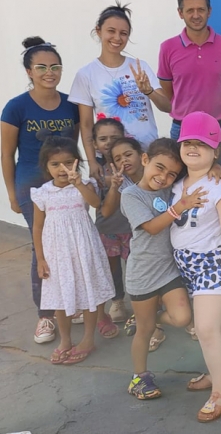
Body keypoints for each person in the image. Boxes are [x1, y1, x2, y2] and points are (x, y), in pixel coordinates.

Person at [169, 111, 221, 422]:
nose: (192, 148)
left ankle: (219, 392)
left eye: (201, 144)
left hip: (216, 259)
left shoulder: (220, 183)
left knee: (204, 328)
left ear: (215, 150)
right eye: (187, 142)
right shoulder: (177, 179)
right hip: (187, 262)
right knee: (216, 325)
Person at [1, 37, 79, 345]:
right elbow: (7, 154)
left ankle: (71, 303)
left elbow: (74, 145)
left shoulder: (71, 104)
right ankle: (45, 315)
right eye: (42, 67)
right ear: (29, 71)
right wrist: (11, 193)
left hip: (66, 185)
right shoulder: (16, 107)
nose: (50, 72)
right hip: (32, 185)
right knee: (43, 248)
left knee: (71, 242)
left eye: (55, 66)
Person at [121, 138, 201, 400]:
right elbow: (153, 227)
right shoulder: (131, 195)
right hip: (142, 274)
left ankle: (148, 319)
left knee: (181, 318)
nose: (164, 177)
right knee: (144, 332)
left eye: (171, 174)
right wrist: (180, 206)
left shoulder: (171, 190)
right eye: (159, 167)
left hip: (168, 271)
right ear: (145, 160)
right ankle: (139, 377)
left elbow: (198, 171)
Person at [31, 136, 116, 365]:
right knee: (60, 297)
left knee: (89, 292)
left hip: (84, 247)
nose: (63, 169)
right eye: (55, 164)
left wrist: (78, 182)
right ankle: (66, 340)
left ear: (78, 162)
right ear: (46, 166)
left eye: (69, 162)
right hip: (56, 253)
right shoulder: (42, 193)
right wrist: (40, 258)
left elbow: (96, 204)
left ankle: (88, 339)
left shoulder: (85, 185)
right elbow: (37, 227)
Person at [69, 3, 170, 183]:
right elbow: (85, 124)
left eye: (123, 33)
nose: (117, 38)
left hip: (146, 155)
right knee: (114, 208)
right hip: (111, 159)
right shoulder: (86, 74)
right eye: (111, 31)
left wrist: (149, 91)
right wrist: (92, 161)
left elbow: (167, 106)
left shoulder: (140, 67)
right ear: (98, 31)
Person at [157, 0, 221, 163]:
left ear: (209, 12)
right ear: (180, 13)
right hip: (183, 131)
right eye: (190, 10)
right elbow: (168, 93)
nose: (196, 15)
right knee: (184, 183)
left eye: (201, 10)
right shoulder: (168, 48)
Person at [90, 119, 132, 326]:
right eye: (102, 139)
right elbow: (98, 204)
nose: (108, 142)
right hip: (108, 229)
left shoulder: (133, 165)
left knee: (136, 267)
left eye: (114, 138)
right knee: (112, 267)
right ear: (95, 144)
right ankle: (117, 301)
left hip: (133, 229)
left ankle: (149, 302)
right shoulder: (97, 172)